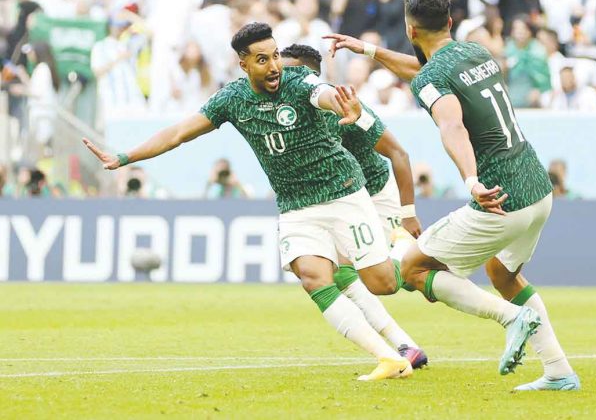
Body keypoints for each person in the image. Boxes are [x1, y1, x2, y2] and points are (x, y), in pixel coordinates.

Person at [83, 22, 413, 382]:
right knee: (313, 278)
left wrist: (341, 105)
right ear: (243, 64)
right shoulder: (232, 99)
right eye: (262, 59)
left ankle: (409, 252)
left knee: (384, 283)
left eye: (274, 56)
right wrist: (126, 156)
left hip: (343, 193)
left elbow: (322, 93)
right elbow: (177, 133)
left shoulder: (298, 80)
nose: (273, 66)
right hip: (296, 206)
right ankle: (387, 358)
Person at [326, 0, 580, 391]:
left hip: (500, 198)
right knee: (502, 271)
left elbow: (452, 124)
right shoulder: (476, 53)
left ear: (410, 30)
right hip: (537, 187)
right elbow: (424, 74)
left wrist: (471, 179)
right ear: (449, 21)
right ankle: (558, 371)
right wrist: (369, 51)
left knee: (414, 267)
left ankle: (512, 318)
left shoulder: (433, 77)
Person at [280, 43, 428, 369]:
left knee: (395, 279)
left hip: (376, 194)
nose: (280, 74)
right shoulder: (289, 113)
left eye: (289, 69)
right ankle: (405, 346)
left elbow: (399, 154)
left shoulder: (339, 103)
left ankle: (432, 259)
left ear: (307, 73)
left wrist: (407, 213)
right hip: (342, 198)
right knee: (342, 273)